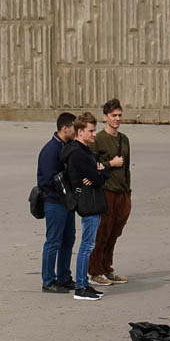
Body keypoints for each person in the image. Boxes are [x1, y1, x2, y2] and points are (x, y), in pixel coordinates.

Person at [60, 112, 107, 301]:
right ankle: (81, 287)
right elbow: (97, 177)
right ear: (80, 132)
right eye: (91, 131)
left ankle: (83, 284)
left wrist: (100, 171)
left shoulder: (86, 151)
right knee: (87, 245)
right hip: (88, 203)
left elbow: (103, 172)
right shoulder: (78, 153)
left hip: (93, 200)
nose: (94, 134)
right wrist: (98, 173)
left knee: (89, 244)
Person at [89, 98, 132, 287]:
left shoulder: (124, 139)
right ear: (105, 117)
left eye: (119, 115)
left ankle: (107, 267)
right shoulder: (97, 139)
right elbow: (90, 166)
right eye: (113, 115)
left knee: (115, 232)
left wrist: (128, 191)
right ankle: (95, 271)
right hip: (105, 192)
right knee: (102, 232)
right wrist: (110, 164)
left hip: (122, 192)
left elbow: (127, 167)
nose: (117, 119)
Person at [36, 112, 78, 293]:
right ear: (65, 128)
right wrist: (64, 184)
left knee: (68, 240)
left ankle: (64, 276)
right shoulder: (50, 150)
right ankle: (48, 280)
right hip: (54, 202)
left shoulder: (67, 146)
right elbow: (46, 180)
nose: (76, 131)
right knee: (53, 241)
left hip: (67, 202)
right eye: (74, 128)